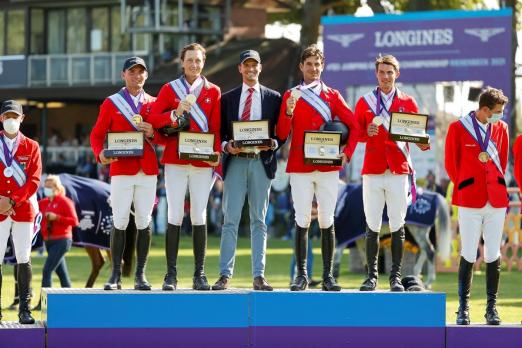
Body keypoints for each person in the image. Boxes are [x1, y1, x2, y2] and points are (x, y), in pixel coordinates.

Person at [277, 44, 359, 291]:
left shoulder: (332, 95)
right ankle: (301, 275)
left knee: (326, 220)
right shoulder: (291, 95)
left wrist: (347, 153)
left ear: (323, 66)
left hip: (328, 166)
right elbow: (281, 133)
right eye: (309, 64)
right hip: (300, 165)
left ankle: (327, 277)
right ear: (301, 66)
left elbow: (353, 125)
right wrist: (289, 111)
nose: (313, 68)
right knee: (301, 219)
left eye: (317, 64)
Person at [149, 43, 221, 291]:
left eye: (198, 61)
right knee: (174, 215)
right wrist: (174, 113)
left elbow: (216, 127)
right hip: (176, 161)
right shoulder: (170, 89)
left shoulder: (213, 90)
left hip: (202, 162)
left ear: (204, 62)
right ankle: (171, 275)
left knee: (199, 215)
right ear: (182, 62)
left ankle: (199, 274)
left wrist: (216, 154)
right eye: (190, 60)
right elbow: (154, 119)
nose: (194, 65)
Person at [355, 55, 430, 292]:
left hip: (398, 169)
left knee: (398, 224)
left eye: (390, 72)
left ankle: (396, 277)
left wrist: (424, 143)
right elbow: (356, 134)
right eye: (381, 72)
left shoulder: (408, 102)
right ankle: (371, 277)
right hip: (373, 170)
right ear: (376, 74)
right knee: (372, 224)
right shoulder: (365, 102)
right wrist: (366, 131)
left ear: (397, 74)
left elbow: (417, 136)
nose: (385, 77)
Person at [211, 50, 281, 291]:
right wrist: (225, 146)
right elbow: (219, 131)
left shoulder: (274, 97)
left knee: (259, 221)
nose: (250, 69)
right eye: (246, 65)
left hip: (261, 162)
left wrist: (274, 142)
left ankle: (259, 276)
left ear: (260, 68)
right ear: (240, 69)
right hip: (236, 162)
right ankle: (224, 275)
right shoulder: (228, 99)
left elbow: (280, 133)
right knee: (230, 220)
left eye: (254, 65)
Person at [90, 56, 159, 291]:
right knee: (119, 221)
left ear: (146, 76)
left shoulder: (154, 102)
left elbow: (164, 136)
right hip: (121, 169)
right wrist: (100, 154)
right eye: (132, 72)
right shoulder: (111, 102)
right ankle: (115, 275)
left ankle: (140, 274)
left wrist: (153, 132)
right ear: (123, 75)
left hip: (148, 170)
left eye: (141, 72)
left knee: (144, 221)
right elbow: (97, 135)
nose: (137, 75)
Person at [445, 87, 509, 325]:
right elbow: (451, 165)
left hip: (497, 198)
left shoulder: (501, 128)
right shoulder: (457, 128)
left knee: (494, 253)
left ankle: (492, 308)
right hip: (469, 198)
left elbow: (501, 160)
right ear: (484, 110)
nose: (500, 115)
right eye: (497, 111)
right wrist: (469, 184)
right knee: (469, 252)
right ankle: (463, 308)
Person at [0, 100, 42, 324]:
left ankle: (25, 309)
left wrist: (12, 200)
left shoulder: (32, 146)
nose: (11, 120)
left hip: (23, 209)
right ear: (1, 118)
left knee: (24, 259)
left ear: (22, 119)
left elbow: (34, 180)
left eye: (15, 116)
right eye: (7, 116)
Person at [34, 175, 79, 310]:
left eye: (50, 186)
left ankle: (44, 304)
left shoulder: (65, 201)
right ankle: (72, 301)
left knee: (47, 270)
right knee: (62, 274)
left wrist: (57, 217)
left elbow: (74, 221)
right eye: (45, 186)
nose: (46, 189)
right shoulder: (42, 203)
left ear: (57, 188)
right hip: (49, 241)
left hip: (62, 240)